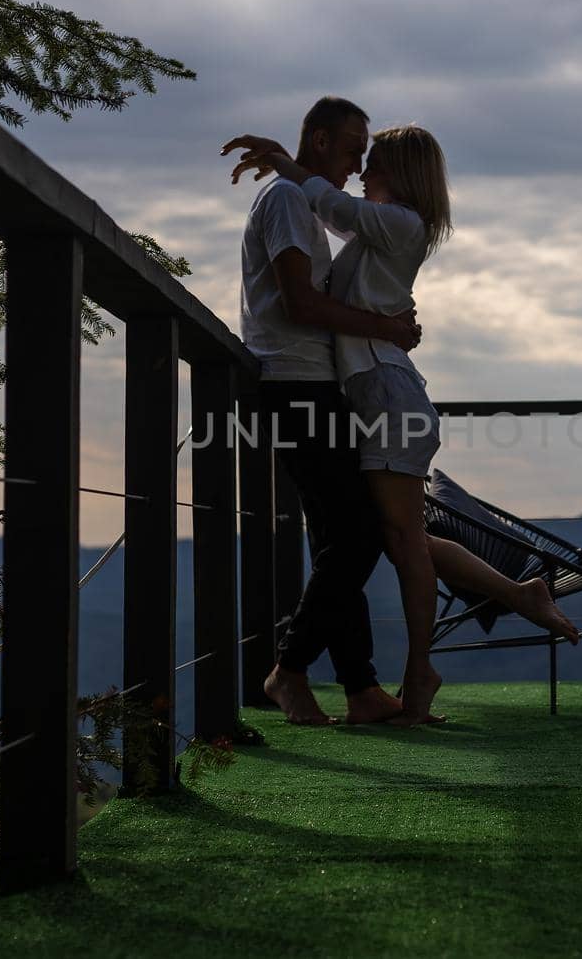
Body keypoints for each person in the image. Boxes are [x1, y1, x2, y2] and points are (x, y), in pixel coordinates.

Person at [223, 122, 580, 725]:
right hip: (379, 395)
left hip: (388, 398)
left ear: (402, 173)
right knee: (393, 537)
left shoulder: (400, 222)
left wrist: (285, 162)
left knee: (400, 541)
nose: (364, 173)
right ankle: (517, 594)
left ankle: (420, 668)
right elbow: (336, 221)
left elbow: (333, 205)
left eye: (376, 164)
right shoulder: (383, 232)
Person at [232, 96, 410, 726]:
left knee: (340, 539)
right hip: (295, 385)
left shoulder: (298, 197)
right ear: (321, 138)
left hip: (312, 385)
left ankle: (360, 688)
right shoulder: (283, 201)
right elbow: (300, 304)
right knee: (358, 537)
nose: (359, 162)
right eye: (354, 147)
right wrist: (384, 327)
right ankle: (289, 669)